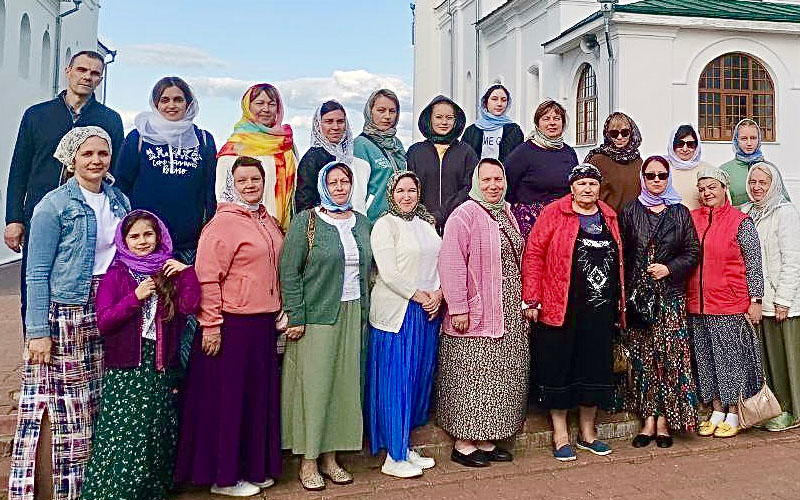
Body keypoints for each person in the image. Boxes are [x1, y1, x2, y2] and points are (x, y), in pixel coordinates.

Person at [8, 127, 129, 500]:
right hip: (68, 309)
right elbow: (36, 271)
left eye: (103, 154)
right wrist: (38, 330)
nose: (96, 161)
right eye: (87, 154)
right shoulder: (53, 205)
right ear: (71, 158)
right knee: (63, 406)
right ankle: (60, 491)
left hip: (109, 304)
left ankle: (95, 486)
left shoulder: (120, 201)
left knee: (97, 402)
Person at [175, 157, 285, 497]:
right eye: (243, 180)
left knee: (255, 399)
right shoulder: (221, 225)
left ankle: (254, 465)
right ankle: (224, 476)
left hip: (261, 323)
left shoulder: (269, 221)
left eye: (256, 179)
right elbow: (208, 277)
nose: (250, 185)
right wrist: (211, 325)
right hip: (231, 323)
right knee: (228, 401)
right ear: (231, 183)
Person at [82, 211, 200, 500]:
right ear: (123, 241)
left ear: (159, 236)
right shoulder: (116, 274)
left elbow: (189, 306)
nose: (142, 241)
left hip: (158, 361)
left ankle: (151, 490)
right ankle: (115, 492)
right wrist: (135, 297)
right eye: (134, 236)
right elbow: (105, 321)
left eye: (148, 234)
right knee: (124, 431)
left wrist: (187, 273)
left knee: (153, 427)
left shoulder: (166, 271)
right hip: (126, 366)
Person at [5, 50, 124, 329]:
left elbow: (114, 171)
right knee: (35, 282)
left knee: (83, 287)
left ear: (100, 79)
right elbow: (19, 168)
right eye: (82, 70)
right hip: (41, 214)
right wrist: (13, 219)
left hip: (86, 215)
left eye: (95, 73)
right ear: (68, 71)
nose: (87, 77)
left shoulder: (109, 119)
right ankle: (34, 345)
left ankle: (80, 354)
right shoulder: (37, 115)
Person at [522, 163, 625, 462]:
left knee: (593, 367)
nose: (587, 189)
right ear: (572, 188)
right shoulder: (554, 213)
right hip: (560, 305)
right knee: (560, 367)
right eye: (581, 184)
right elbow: (534, 254)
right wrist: (531, 298)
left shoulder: (608, 215)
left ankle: (588, 433)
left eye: (592, 183)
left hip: (599, 309)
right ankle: (560, 434)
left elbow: (618, 258)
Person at [280, 162, 373, 490]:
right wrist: (296, 314)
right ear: (323, 185)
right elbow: (289, 271)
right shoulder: (307, 221)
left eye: (344, 181)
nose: (339, 187)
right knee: (315, 388)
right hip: (317, 315)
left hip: (353, 313)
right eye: (332, 182)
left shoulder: (361, 223)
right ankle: (308, 460)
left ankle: (331, 457)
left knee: (343, 385)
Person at [436, 158, 529, 468]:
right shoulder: (464, 215)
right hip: (476, 311)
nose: (493, 186)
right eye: (486, 180)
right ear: (476, 183)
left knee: (497, 377)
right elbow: (451, 263)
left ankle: (486, 439)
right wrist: (459, 307)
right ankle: (463, 443)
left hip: (509, 311)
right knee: (471, 378)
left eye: (498, 180)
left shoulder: (507, 212)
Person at [618, 156, 700, 448]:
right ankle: (647, 419)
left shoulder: (680, 213)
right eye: (650, 175)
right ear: (642, 177)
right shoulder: (630, 210)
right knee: (644, 360)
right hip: (640, 299)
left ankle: (665, 420)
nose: (656, 180)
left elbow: (693, 252)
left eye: (662, 175)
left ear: (668, 178)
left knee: (670, 360)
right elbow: (622, 254)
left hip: (669, 298)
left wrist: (669, 268)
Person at [366, 171, 442, 478]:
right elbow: (388, 272)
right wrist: (420, 296)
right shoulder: (385, 225)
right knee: (396, 380)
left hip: (427, 311)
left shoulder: (425, 224)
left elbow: (439, 261)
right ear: (391, 194)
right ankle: (393, 456)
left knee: (415, 381)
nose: (407, 196)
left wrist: (438, 294)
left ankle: (405, 446)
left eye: (412, 190)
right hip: (398, 313)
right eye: (401, 190)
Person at [687, 167, 764, 438]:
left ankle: (734, 412)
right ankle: (716, 409)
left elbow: (754, 263)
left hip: (730, 303)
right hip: (697, 303)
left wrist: (756, 299)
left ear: (723, 189)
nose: (707, 193)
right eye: (703, 189)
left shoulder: (740, 221)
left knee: (730, 360)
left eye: (712, 188)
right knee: (706, 359)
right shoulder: (691, 218)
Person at [114, 77, 217, 262]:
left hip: (189, 245)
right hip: (145, 244)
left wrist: (207, 233)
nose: (172, 105)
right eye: (164, 99)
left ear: (188, 103)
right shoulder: (138, 137)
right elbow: (121, 186)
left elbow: (210, 190)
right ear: (155, 104)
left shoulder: (204, 140)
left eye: (178, 99)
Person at [742, 162, 800, 431]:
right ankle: (775, 409)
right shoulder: (748, 213)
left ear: (773, 184)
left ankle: (793, 411)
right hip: (760, 301)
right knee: (769, 361)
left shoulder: (784, 212)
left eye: (763, 182)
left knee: (788, 358)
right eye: (753, 182)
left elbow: (792, 259)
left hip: (782, 302)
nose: (757, 187)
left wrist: (784, 299)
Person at [215, 83, 297, 232]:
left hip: (282, 232)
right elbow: (224, 196)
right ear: (248, 107)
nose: (266, 109)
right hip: (244, 231)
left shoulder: (285, 143)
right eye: (260, 103)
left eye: (272, 104)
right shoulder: (235, 147)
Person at [504, 99, 578, 242]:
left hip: (562, 219)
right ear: (538, 123)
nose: (552, 123)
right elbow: (508, 182)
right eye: (546, 118)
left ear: (563, 123)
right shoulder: (523, 152)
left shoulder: (569, 152)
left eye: (557, 118)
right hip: (531, 221)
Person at [407, 95, 478, 228]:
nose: (444, 122)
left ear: (456, 120)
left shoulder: (466, 152)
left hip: (458, 222)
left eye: (449, 118)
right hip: (420, 224)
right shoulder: (415, 152)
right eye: (438, 117)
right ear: (430, 119)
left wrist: (440, 215)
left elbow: (469, 188)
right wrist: (424, 217)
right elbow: (409, 188)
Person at [295, 100, 370, 215]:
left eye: (340, 121)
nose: (335, 127)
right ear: (318, 124)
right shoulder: (312, 158)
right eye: (329, 122)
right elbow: (304, 202)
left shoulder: (350, 155)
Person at [354, 89, 408, 221]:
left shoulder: (397, 144)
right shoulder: (360, 145)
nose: (387, 116)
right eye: (381, 110)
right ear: (370, 112)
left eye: (392, 111)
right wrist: (361, 228)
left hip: (399, 221)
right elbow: (357, 194)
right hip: (373, 223)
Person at [584, 112, 643, 214]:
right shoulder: (597, 160)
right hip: (606, 221)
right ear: (608, 134)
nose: (619, 137)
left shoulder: (638, 161)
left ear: (632, 133)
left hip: (633, 222)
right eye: (614, 133)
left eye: (624, 133)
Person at [720, 118, 776, 208]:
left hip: (768, 220)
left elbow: (782, 201)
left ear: (759, 139)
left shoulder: (770, 168)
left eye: (753, 138)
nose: (749, 143)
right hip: (737, 220)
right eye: (744, 138)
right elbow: (720, 207)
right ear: (736, 140)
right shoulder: (724, 170)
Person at [461, 84, 524, 163]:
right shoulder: (471, 131)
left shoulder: (514, 130)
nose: (499, 104)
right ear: (485, 102)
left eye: (504, 100)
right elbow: (464, 159)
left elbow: (519, 159)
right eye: (494, 99)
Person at [665, 124, 713, 210]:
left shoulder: (708, 170)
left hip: (698, 222)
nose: (685, 149)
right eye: (680, 144)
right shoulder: (662, 168)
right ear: (672, 145)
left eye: (690, 144)